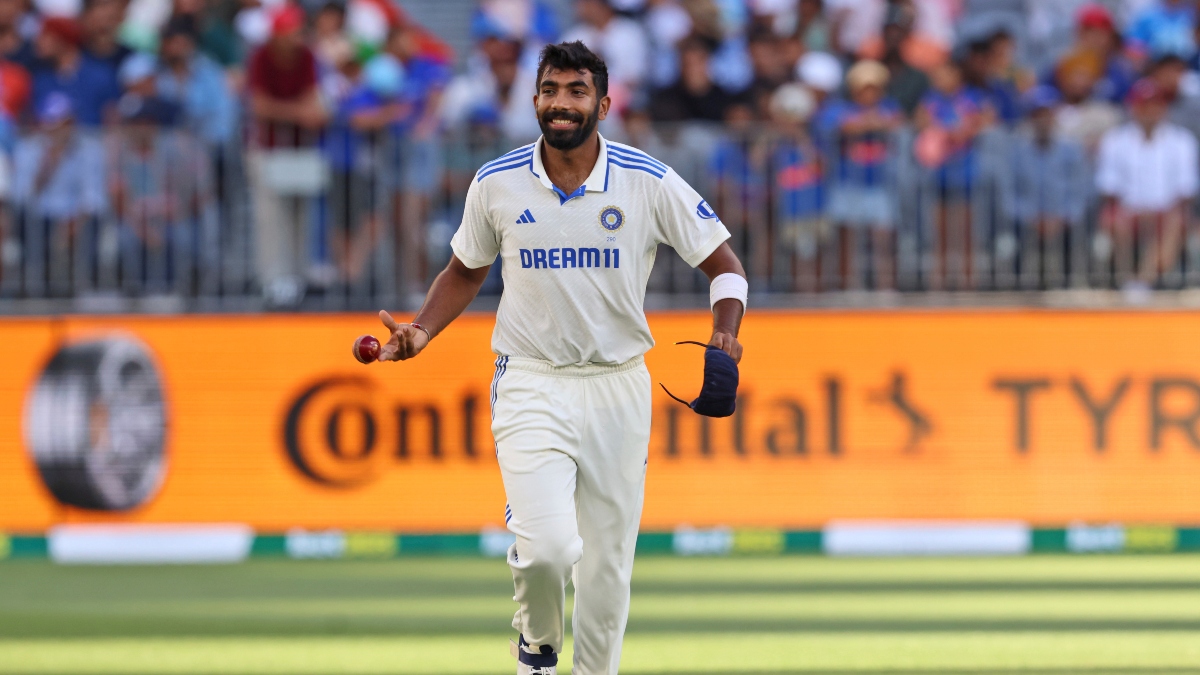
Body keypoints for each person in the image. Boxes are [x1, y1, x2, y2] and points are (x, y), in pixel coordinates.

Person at [373, 41, 746, 675]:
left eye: (577, 92)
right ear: (535, 98)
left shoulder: (647, 180)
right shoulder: (496, 181)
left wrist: (725, 331)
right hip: (530, 379)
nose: (562, 104)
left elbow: (726, 267)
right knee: (546, 549)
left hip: (617, 384)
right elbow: (464, 271)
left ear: (603, 103)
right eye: (551, 90)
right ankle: (538, 651)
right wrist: (421, 332)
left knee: (606, 570)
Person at [245, 3, 328, 307]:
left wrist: (293, 113)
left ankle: (297, 278)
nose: (298, 37)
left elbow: (313, 103)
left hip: (299, 148)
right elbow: (259, 105)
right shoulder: (261, 57)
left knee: (300, 215)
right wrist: (296, 113)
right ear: (278, 34)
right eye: (292, 31)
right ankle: (272, 281)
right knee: (269, 216)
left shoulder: (306, 56)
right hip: (266, 148)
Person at [1096, 79, 1198, 294]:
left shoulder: (1182, 141)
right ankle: (1128, 280)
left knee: (1176, 220)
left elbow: (1186, 189)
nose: (1150, 111)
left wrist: (1158, 211)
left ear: (1164, 109)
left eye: (1156, 105)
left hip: (1166, 210)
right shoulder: (1115, 140)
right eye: (1144, 105)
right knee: (1114, 219)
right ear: (1134, 108)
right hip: (1128, 210)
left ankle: (1142, 281)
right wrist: (1132, 210)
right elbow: (1108, 186)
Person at [823, 59, 901, 289]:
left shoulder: (889, 107)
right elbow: (841, 126)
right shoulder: (841, 109)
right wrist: (869, 124)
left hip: (879, 184)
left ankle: (885, 288)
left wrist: (870, 123)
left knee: (882, 241)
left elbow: (895, 123)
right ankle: (848, 288)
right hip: (848, 183)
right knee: (848, 241)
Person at [1009, 85, 1088, 288]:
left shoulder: (1071, 150)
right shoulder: (1018, 151)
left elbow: (1081, 189)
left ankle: (1067, 290)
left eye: (1047, 114)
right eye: (1038, 115)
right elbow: (1009, 192)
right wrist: (1030, 217)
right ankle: (1020, 292)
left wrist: (1062, 217)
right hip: (1028, 222)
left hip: (1063, 222)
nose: (1043, 120)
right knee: (1014, 240)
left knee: (1074, 239)